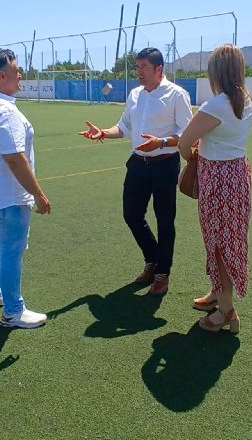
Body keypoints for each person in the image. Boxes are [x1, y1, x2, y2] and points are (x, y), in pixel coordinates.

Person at [79, 47, 192, 295]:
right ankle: (153, 260)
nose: (138, 72)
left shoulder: (177, 95)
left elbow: (188, 135)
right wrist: (103, 133)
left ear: (159, 69)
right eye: (137, 66)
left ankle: (162, 274)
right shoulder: (135, 94)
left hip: (165, 163)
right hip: (138, 163)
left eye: (144, 67)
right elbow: (123, 126)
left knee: (165, 220)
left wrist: (160, 142)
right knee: (131, 215)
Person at [0, 49, 51, 329]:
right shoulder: (4, 111)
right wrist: (39, 196)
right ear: (2, 75)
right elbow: (16, 159)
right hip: (8, 195)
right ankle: (13, 311)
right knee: (11, 250)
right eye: (16, 70)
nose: (20, 75)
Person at [178, 44, 252, 333]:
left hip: (218, 178)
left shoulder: (216, 105)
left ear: (216, 72)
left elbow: (185, 143)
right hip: (238, 173)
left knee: (218, 244)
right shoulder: (245, 99)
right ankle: (218, 292)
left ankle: (226, 312)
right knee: (230, 240)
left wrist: (191, 157)